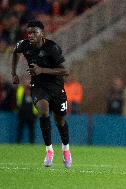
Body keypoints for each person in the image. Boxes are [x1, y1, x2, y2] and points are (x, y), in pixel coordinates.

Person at [11, 20, 72, 168]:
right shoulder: (24, 45)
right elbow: (15, 52)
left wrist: (42, 70)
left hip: (57, 88)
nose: (31, 35)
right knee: (43, 112)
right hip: (39, 86)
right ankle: (49, 150)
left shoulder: (52, 48)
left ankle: (66, 150)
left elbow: (65, 71)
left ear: (42, 33)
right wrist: (14, 73)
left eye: (34, 32)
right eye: (29, 32)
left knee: (60, 122)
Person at [16, 78, 38, 144]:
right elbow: (18, 100)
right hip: (22, 113)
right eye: (25, 82)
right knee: (20, 128)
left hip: (32, 113)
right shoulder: (20, 90)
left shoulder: (34, 90)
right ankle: (18, 142)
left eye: (28, 82)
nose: (27, 83)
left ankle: (32, 143)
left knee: (32, 129)